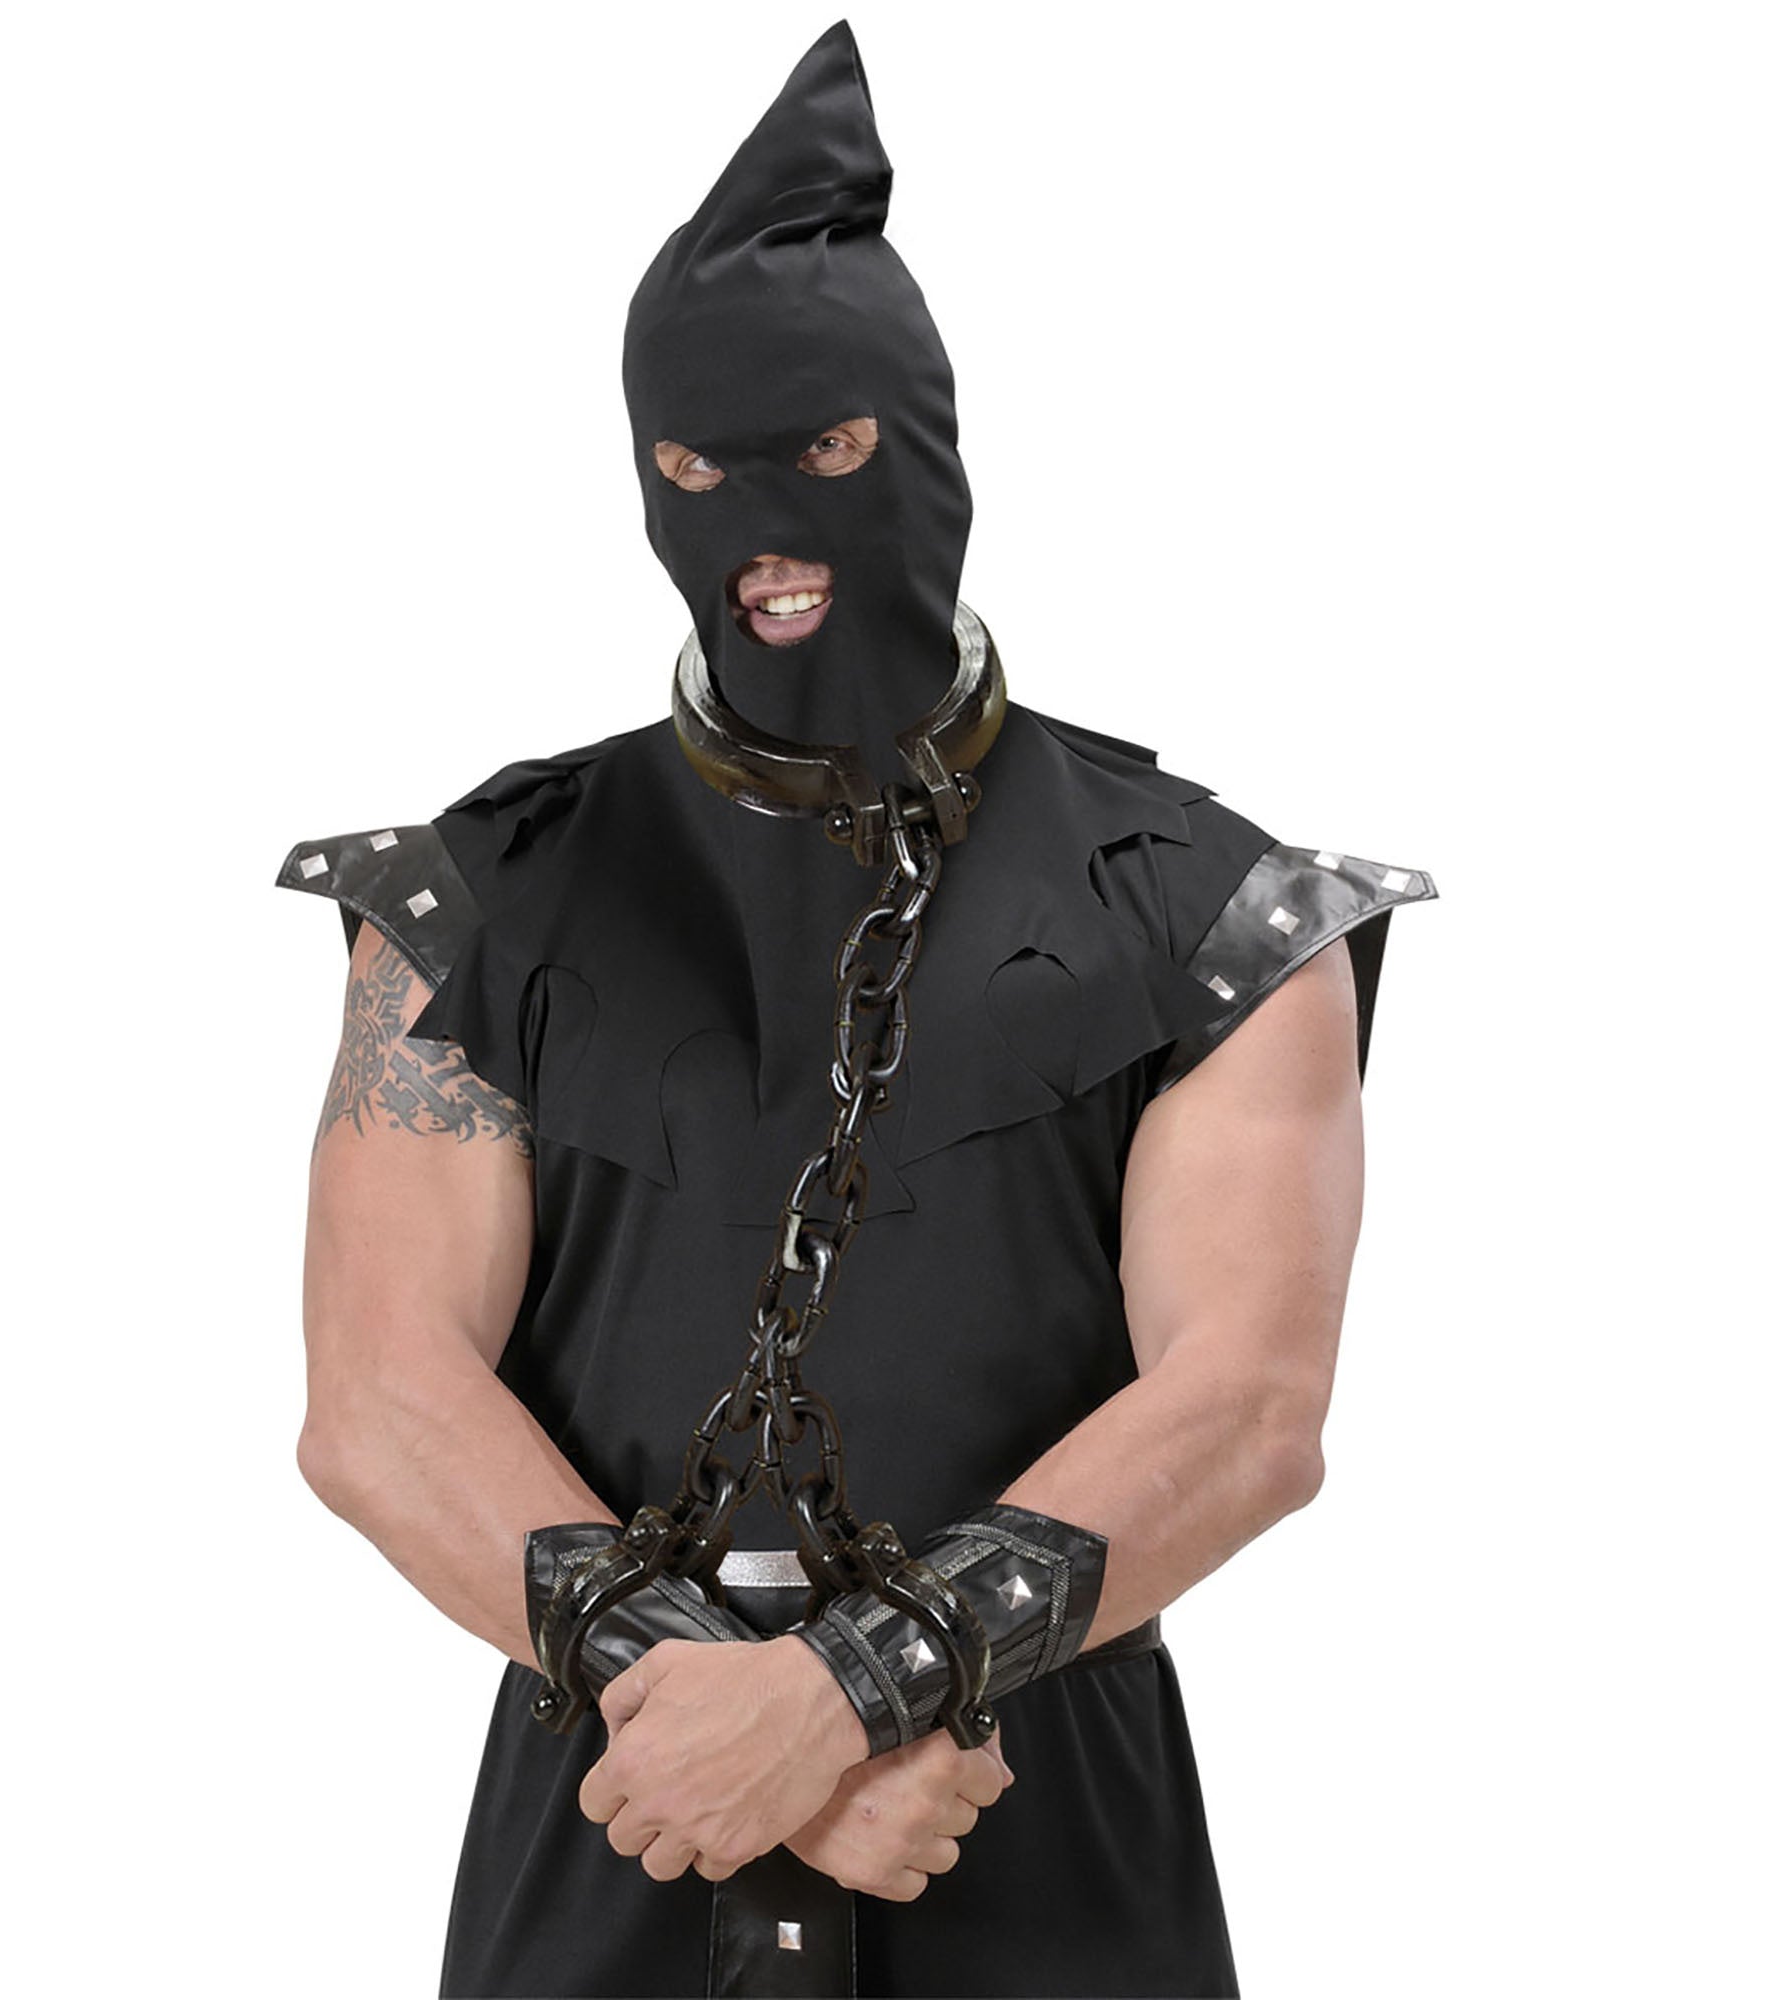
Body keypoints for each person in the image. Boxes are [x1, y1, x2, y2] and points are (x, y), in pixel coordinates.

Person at [276, 21, 1437, 1999]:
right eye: (690, 470)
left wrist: (837, 1699)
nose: (761, 531)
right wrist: (728, 1733)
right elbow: (378, 1399)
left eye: (819, 454)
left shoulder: (1210, 912)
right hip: (623, 1804)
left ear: (918, 444)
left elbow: (1247, 1404)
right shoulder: (477, 901)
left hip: (1023, 1809)